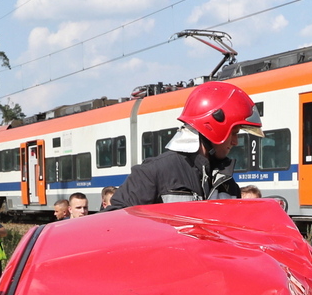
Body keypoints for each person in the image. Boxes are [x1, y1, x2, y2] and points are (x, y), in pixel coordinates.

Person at [108, 80, 256, 208]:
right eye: (234, 133)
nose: (235, 142)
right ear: (214, 126)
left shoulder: (227, 181)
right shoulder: (153, 173)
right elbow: (114, 221)